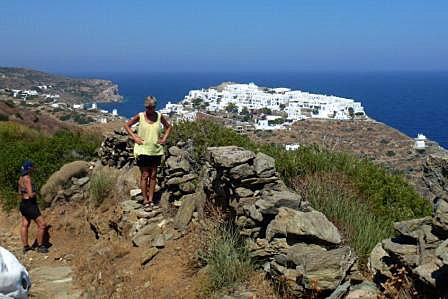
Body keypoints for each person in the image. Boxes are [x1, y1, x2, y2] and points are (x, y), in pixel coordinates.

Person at [124, 96, 172, 210]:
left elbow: (169, 127)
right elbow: (126, 125)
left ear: (155, 106)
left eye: (152, 107)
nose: (150, 109)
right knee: (145, 175)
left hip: (156, 150)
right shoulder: (140, 116)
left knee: (154, 175)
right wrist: (134, 137)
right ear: (146, 106)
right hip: (142, 150)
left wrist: (164, 138)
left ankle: (151, 199)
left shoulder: (159, 116)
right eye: (148, 107)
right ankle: (145, 200)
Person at [17, 160, 48, 254]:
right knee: (42, 224)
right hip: (30, 204)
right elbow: (31, 195)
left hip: (23, 204)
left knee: (25, 224)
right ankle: (40, 246)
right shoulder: (27, 178)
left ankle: (26, 247)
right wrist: (37, 192)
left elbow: (19, 192)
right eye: (32, 167)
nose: (33, 169)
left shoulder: (20, 178)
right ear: (29, 169)